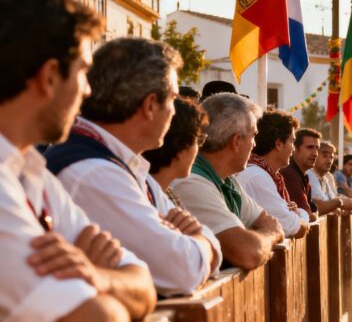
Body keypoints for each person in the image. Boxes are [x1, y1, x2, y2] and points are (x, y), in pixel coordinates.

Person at [0, 0, 156, 322]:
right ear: (50, 76)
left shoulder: (34, 176)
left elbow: (145, 283)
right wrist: (106, 288)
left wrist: (98, 278)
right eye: (83, 71)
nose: (87, 91)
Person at [45, 37, 219, 297]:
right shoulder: (94, 172)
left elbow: (197, 253)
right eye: (172, 99)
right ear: (150, 106)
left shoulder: (125, 165)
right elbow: (181, 270)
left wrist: (197, 243)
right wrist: (201, 241)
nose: (174, 111)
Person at [172, 93, 284, 269]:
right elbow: (249, 252)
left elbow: (266, 220)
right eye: (253, 135)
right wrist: (270, 234)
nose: (254, 144)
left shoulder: (228, 179)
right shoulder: (191, 182)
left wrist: (262, 233)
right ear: (237, 141)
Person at [141, 97, 223, 271]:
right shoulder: (144, 190)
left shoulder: (166, 192)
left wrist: (197, 237)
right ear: (182, 148)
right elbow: (186, 267)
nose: (198, 150)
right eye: (198, 141)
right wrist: (200, 238)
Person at [235, 110, 309, 239]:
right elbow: (291, 227)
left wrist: (294, 214)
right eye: (292, 142)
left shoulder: (262, 174)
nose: (293, 148)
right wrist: (301, 215)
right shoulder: (257, 177)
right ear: (279, 144)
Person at [307, 141, 352, 215]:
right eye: (324, 156)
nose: (329, 161)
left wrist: (348, 203)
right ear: (315, 155)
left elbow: (332, 198)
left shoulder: (327, 177)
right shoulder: (309, 174)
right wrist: (340, 204)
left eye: (331, 157)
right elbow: (321, 203)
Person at [280, 128, 319, 221]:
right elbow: (309, 216)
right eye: (310, 147)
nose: (315, 153)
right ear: (295, 149)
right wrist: (314, 215)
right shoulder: (288, 173)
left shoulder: (304, 175)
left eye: (317, 148)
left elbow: (312, 209)